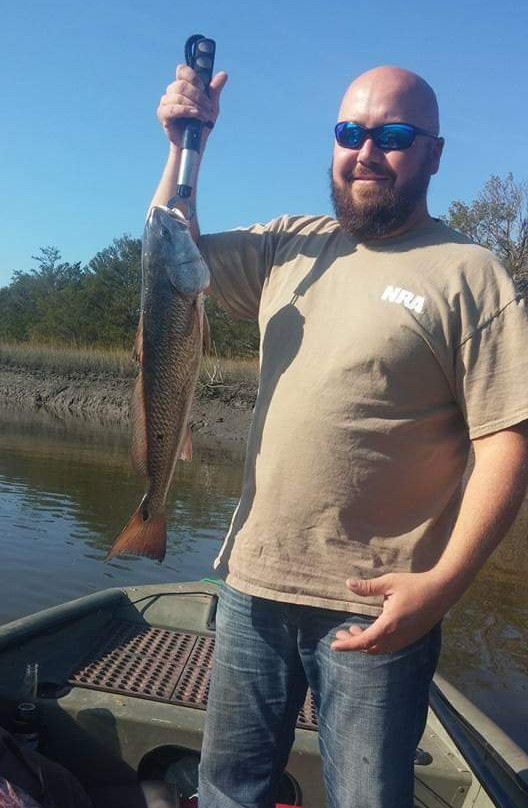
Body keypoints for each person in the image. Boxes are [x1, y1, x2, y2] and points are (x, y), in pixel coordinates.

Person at [151, 64, 528, 808]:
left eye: (392, 137)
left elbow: (507, 443)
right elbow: (167, 255)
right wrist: (184, 147)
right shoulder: (289, 245)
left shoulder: (470, 272)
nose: (364, 152)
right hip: (252, 587)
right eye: (349, 133)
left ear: (434, 154)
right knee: (227, 791)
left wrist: (441, 587)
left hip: (379, 611)